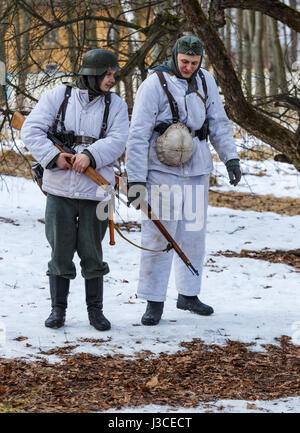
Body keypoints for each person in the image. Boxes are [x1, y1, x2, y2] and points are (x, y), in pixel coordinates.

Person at [126, 35, 241, 326]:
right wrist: (136, 180)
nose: (189, 67)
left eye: (194, 62)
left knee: (193, 234)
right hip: (161, 170)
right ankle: (154, 301)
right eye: (184, 62)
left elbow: (218, 122)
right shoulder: (153, 84)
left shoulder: (206, 81)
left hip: (197, 167)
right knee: (161, 233)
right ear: (175, 56)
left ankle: (188, 294)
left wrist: (231, 157)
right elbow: (138, 134)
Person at [21, 49, 129, 331]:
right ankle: (58, 310)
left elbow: (118, 140)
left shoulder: (116, 105)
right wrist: (54, 157)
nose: (112, 78)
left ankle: (96, 311)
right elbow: (31, 129)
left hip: (96, 191)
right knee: (60, 251)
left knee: (93, 253)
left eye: (113, 73)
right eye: (107, 73)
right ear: (93, 74)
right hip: (59, 191)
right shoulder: (59, 97)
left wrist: (91, 155)